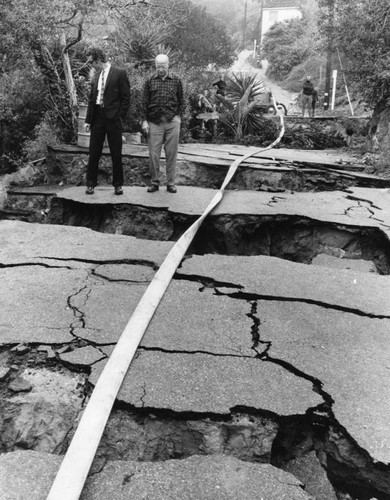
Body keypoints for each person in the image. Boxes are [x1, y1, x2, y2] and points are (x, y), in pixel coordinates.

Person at [84, 47, 130, 195]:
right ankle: (91, 183)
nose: (91, 65)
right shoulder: (97, 75)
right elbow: (92, 99)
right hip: (98, 117)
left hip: (113, 118)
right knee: (94, 151)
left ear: (97, 60)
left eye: (92, 62)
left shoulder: (119, 73)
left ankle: (118, 185)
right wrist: (88, 121)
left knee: (116, 152)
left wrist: (119, 116)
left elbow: (126, 98)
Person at [141, 54, 184, 193]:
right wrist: (144, 121)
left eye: (163, 66)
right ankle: (154, 182)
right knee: (154, 154)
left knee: (171, 153)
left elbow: (182, 101)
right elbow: (144, 102)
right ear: (155, 66)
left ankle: (171, 183)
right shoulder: (149, 81)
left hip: (172, 122)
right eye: (158, 66)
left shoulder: (176, 80)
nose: (160, 69)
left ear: (168, 65)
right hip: (154, 122)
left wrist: (177, 117)